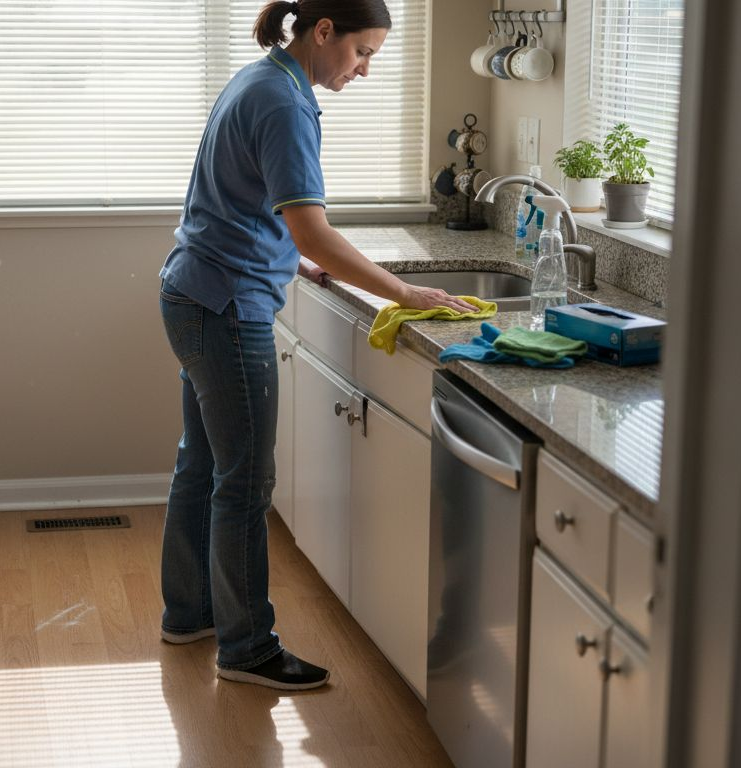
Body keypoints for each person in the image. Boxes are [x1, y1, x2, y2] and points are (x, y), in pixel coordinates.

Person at [156, 0, 473, 691]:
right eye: (362, 53)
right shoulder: (285, 104)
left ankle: (188, 612)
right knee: (243, 482)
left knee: (204, 463)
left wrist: (289, 258)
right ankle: (246, 650)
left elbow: (234, 199)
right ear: (324, 31)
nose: (364, 71)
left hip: (192, 291)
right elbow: (313, 229)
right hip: (225, 307)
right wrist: (406, 293)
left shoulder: (260, 78)